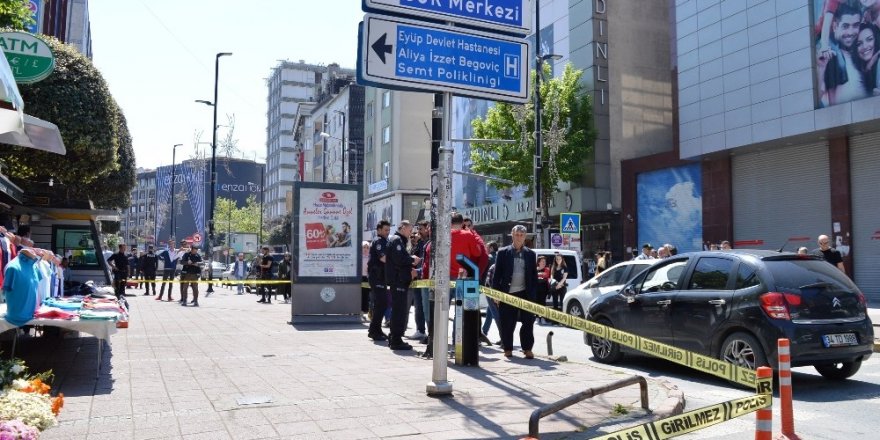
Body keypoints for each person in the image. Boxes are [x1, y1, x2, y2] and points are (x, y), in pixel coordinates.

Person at [491, 225, 537, 359]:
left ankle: (527, 348)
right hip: (507, 293)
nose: (519, 237)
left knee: (528, 322)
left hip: (525, 294)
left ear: (525, 237)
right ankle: (508, 348)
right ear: (512, 235)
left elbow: (533, 276)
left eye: (522, 235)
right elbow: (497, 275)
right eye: (517, 234)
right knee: (507, 322)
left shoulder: (530, 254)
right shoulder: (503, 252)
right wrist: (496, 294)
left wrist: (533, 296)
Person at [817, 4, 868, 106]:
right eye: (845, 26)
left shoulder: (860, 53)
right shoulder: (828, 55)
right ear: (835, 26)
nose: (850, 32)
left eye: (855, 25)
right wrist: (821, 67)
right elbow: (816, 96)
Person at [385, 220, 421, 351]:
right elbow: (399, 259)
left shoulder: (399, 240)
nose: (411, 232)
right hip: (398, 280)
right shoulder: (397, 241)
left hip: (399, 280)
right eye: (410, 229)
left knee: (399, 310)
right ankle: (396, 339)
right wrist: (412, 259)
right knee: (399, 311)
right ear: (403, 228)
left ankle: (394, 337)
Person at [367, 220, 391, 341]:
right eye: (385, 230)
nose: (388, 232)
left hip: (381, 277)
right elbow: (384, 258)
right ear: (379, 230)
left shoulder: (385, 241)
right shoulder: (378, 242)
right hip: (376, 276)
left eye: (388, 230)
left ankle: (376, 329)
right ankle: (373, 330)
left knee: (381, 304)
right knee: (381, 303)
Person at [853, 22, 880, 96]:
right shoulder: (858, 71)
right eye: (859, 44)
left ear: (876, 40)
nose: (864, 46)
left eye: (869, 39)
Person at [535, 256, 551, 324]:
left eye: (545, 261)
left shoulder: (547, 269)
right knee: (536, 304)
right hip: (536, 289)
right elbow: (534, 277)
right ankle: (537, 317)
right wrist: (540, 275)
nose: (544, 263)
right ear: (539, 262)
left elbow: (546, 276)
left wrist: (539, 275)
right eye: (542, 261)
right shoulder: (535, 269)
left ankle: (543, 318)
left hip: (544, 289)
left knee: (543, 304)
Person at [361, 241, 371, 320]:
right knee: (359, 295)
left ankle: (365, 312)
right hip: (359, 278)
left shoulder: (371, 257)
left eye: (367, 247)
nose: (365, 249)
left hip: (367, 278)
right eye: (364, 247)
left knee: (366, 295)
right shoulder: (358, 257)